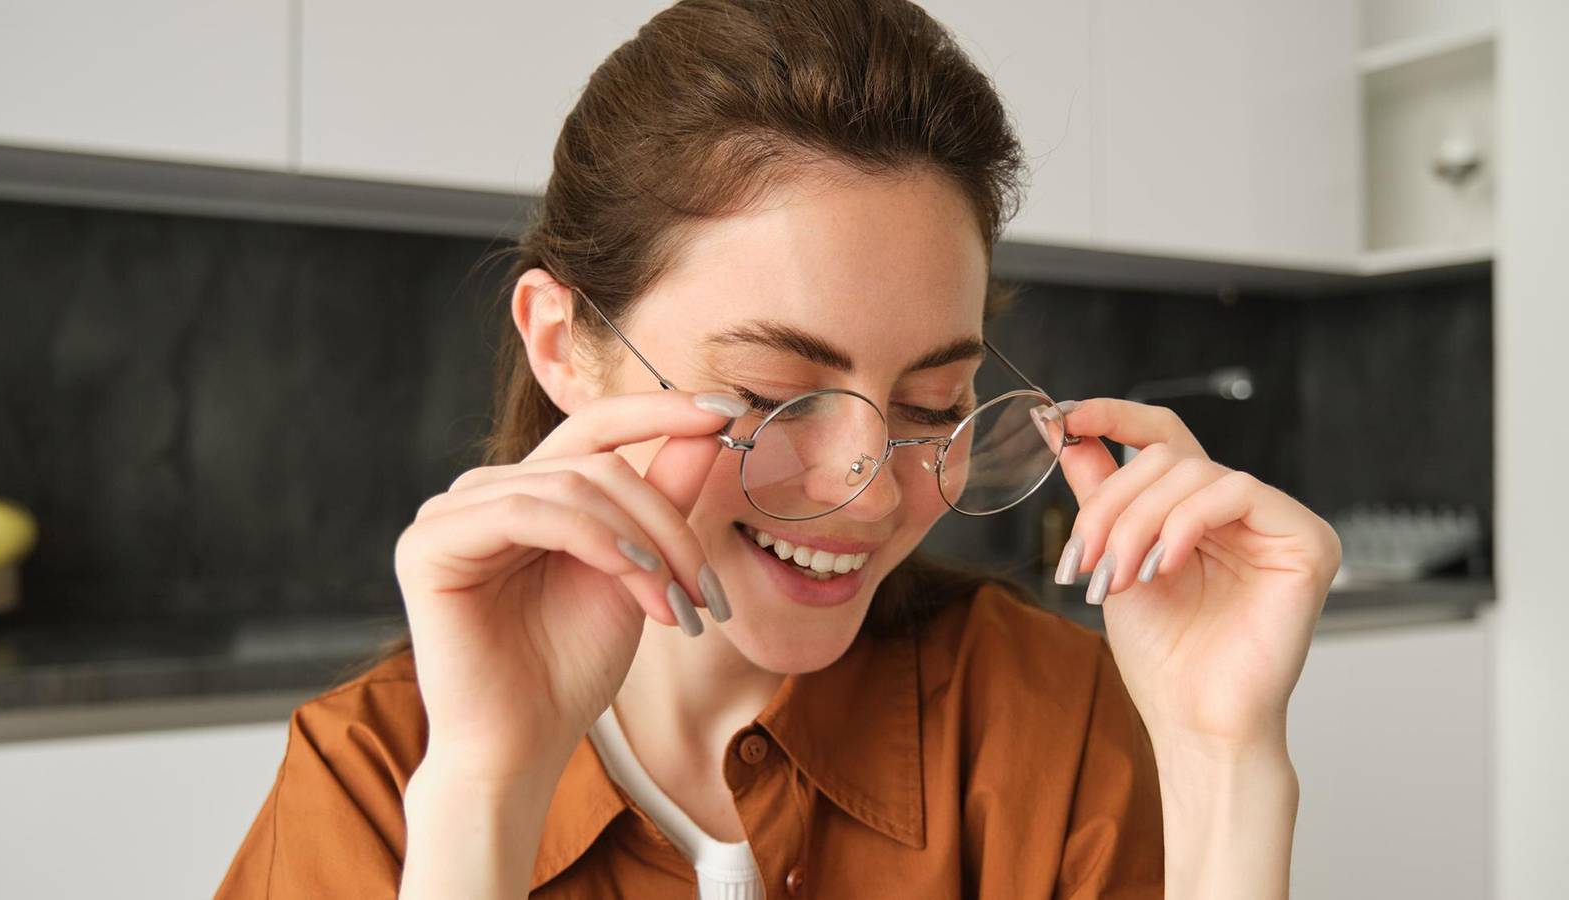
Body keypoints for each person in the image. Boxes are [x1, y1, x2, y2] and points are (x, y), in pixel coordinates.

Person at [216, 1, 1341, 897]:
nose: (862, 496)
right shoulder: (371, 774)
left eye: (930, 404)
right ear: (564, 346)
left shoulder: (1050, 724)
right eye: (770, 395)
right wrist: (488, 796)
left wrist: (1221, 760)